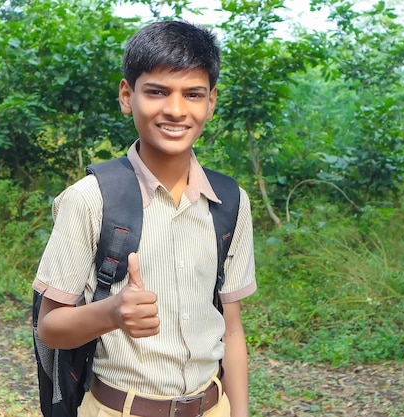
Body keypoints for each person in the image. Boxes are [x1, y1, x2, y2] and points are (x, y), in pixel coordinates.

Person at [32, 20, 257, 417]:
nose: (175, 109)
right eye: (156, 92)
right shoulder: (90, 199)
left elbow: (232, 329)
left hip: (213, 406)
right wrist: (112, 312)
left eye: (192, 94)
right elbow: (50, 328)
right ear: (126, 95)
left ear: (211, 102)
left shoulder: (230, 202)